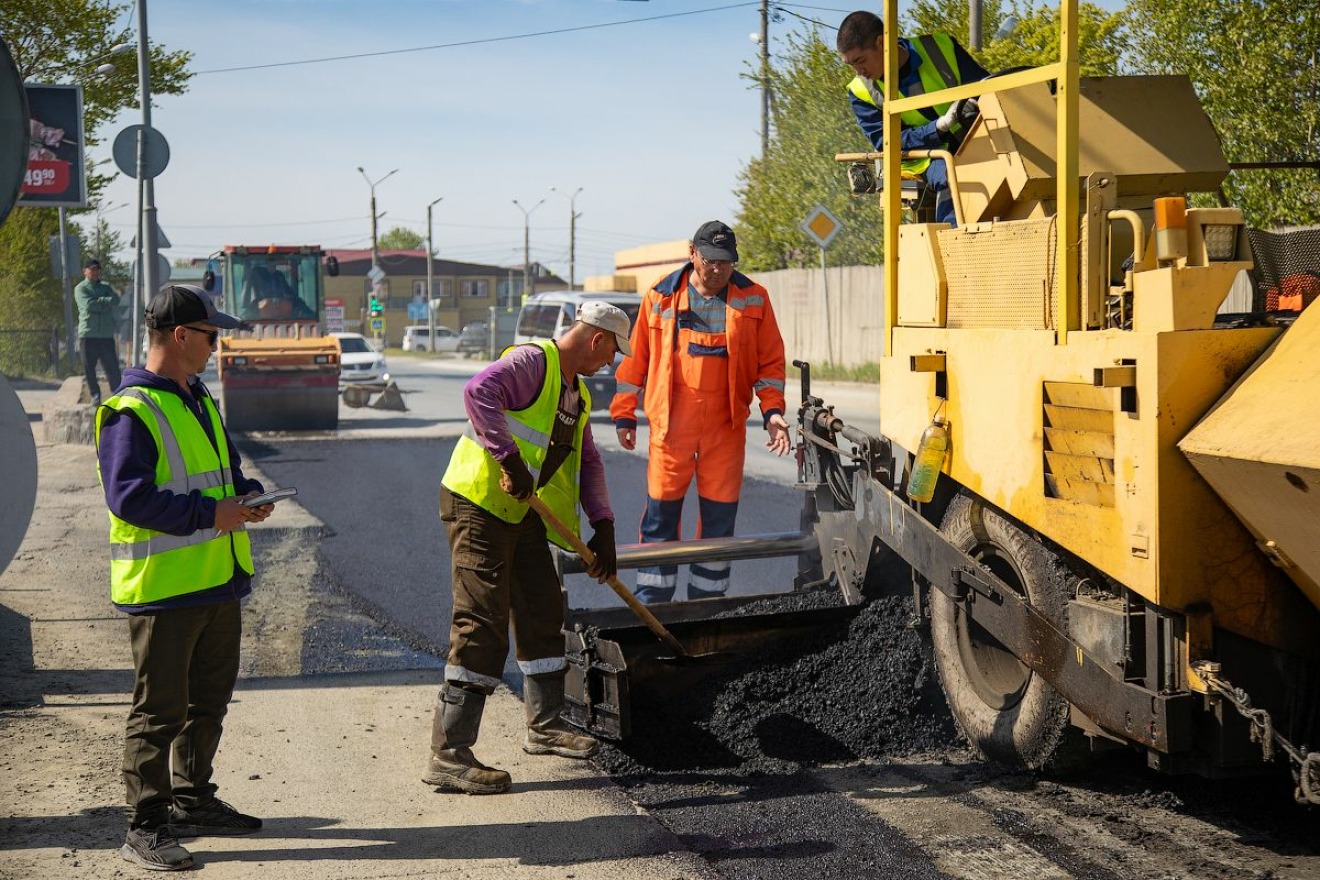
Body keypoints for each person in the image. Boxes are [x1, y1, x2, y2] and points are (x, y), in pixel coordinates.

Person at [95, 284, 274, 871]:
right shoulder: (131, 411)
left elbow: (224, 469)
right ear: (180, 336)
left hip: (218, 577)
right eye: (211, 335)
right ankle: (145, 826)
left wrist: (245, 496)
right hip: (165, 589)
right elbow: (129, 498)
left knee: (208, 703)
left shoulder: (197, 395)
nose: (216, 345)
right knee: (159, 712)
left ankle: (194, 799)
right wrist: (211, 514)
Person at [424, 301, 631, 795]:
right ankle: (448, 753)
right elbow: (478, 392)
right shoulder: (532, 363)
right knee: (482, 620)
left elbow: (590, 463)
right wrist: (509, 459)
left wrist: (603, 524)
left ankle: (545, 726)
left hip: (523, 513)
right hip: (478, 503)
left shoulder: (575, 395)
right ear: (597, 338)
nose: (609, 364)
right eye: (611, 354)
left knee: (541, 609)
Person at [610, 221, 790, 604]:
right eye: (710, 261)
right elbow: (634, 359)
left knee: (719, 521)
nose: (717, 270)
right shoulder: (659, 296)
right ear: (692, 252)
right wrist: (624, 412)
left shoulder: (754, 298)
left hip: (725, 428)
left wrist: (772, 412)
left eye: (725, 263)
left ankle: (707, 605)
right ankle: (653, 604)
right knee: (660, 517)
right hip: (671, 427)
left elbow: (770, 364)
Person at [837, 10, 989, 226]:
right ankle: (952, 248)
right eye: (851, 65)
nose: (858, 71)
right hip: (920, 159)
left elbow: (984, 87)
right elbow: (888, 142)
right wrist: (939, 126)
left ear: (881, 42)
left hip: (972, 140)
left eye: (860, 60)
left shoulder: (940, 47)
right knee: (954, 174)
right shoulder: (860, 91)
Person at [75, 258, 123, 405]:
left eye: (97, 269)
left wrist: (99, 301)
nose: (95, 272)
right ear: (85, 271)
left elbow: (115, 300)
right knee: (89, 368)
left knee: (112, 367)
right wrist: (104, 302)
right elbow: (88, 305)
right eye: (92, 269)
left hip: (106, 335)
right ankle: (95, 395)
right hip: (88, 335)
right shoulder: (81, 288)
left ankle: (118, 394)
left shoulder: (106, 286)